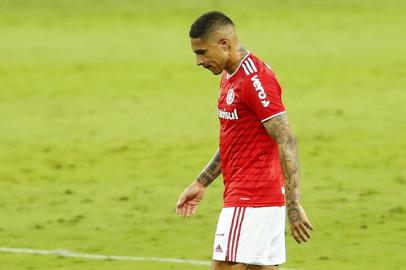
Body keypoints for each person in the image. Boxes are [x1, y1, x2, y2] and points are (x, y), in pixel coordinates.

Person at [176, 11, 313, 270]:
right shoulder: (229, 76)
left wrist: (293, 205)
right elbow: (234, 138)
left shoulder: (254, 79)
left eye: (202, 52)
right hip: (253, 196)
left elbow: (286, 138)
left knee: (224, 267)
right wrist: (201, 182)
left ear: (224, 44)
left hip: (253, 196)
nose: (198, 61)